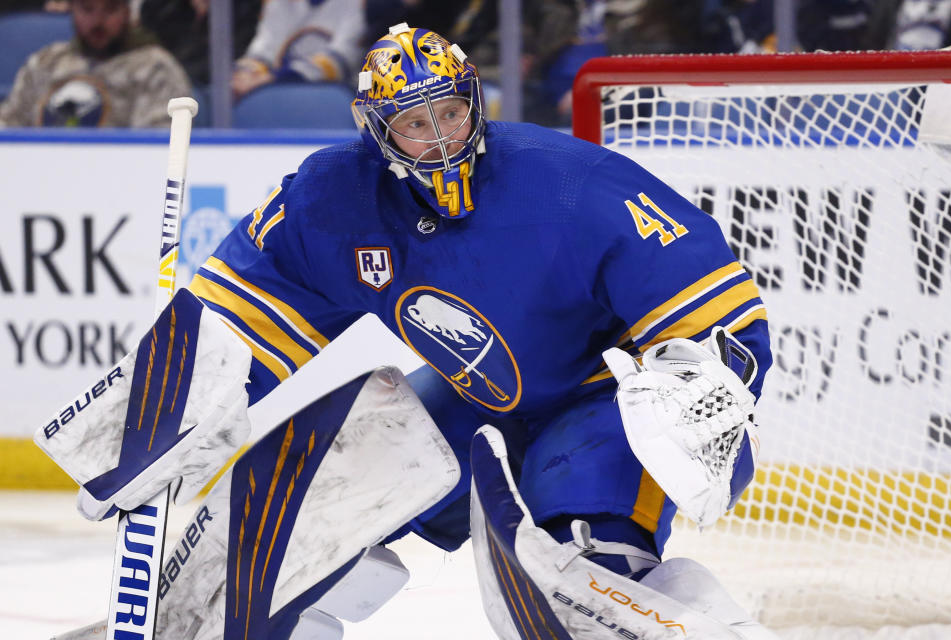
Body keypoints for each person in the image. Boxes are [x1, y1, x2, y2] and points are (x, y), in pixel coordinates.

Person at [36, 22, 774, 638]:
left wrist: (697, 400)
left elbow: (714, 307)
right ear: (376, 130)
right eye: (416, 125)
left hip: (591, 402)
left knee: (582, 573)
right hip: (474, 400)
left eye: (451, 113)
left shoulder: (569, 185)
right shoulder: (332, 204)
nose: (443, 140)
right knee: (285, 518)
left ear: (474, 102)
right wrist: (155, 414)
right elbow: (233, 320)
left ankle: (678, 613)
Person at [0, 0, 191, 127]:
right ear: (72, 10)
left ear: (127, 13)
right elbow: (8, 127)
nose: (98, 21)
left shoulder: (154, 67)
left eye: (110, 9)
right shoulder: (45, 63)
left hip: (121, 181)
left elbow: (158, 147)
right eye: (87, 9)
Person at [230, 0, 365, 99]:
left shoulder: (359, 3)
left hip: (345, 97)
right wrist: (244, 74)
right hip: (280, 92)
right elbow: (263, 51)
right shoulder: (279, 3)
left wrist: (274, 77)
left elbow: (342, 59)